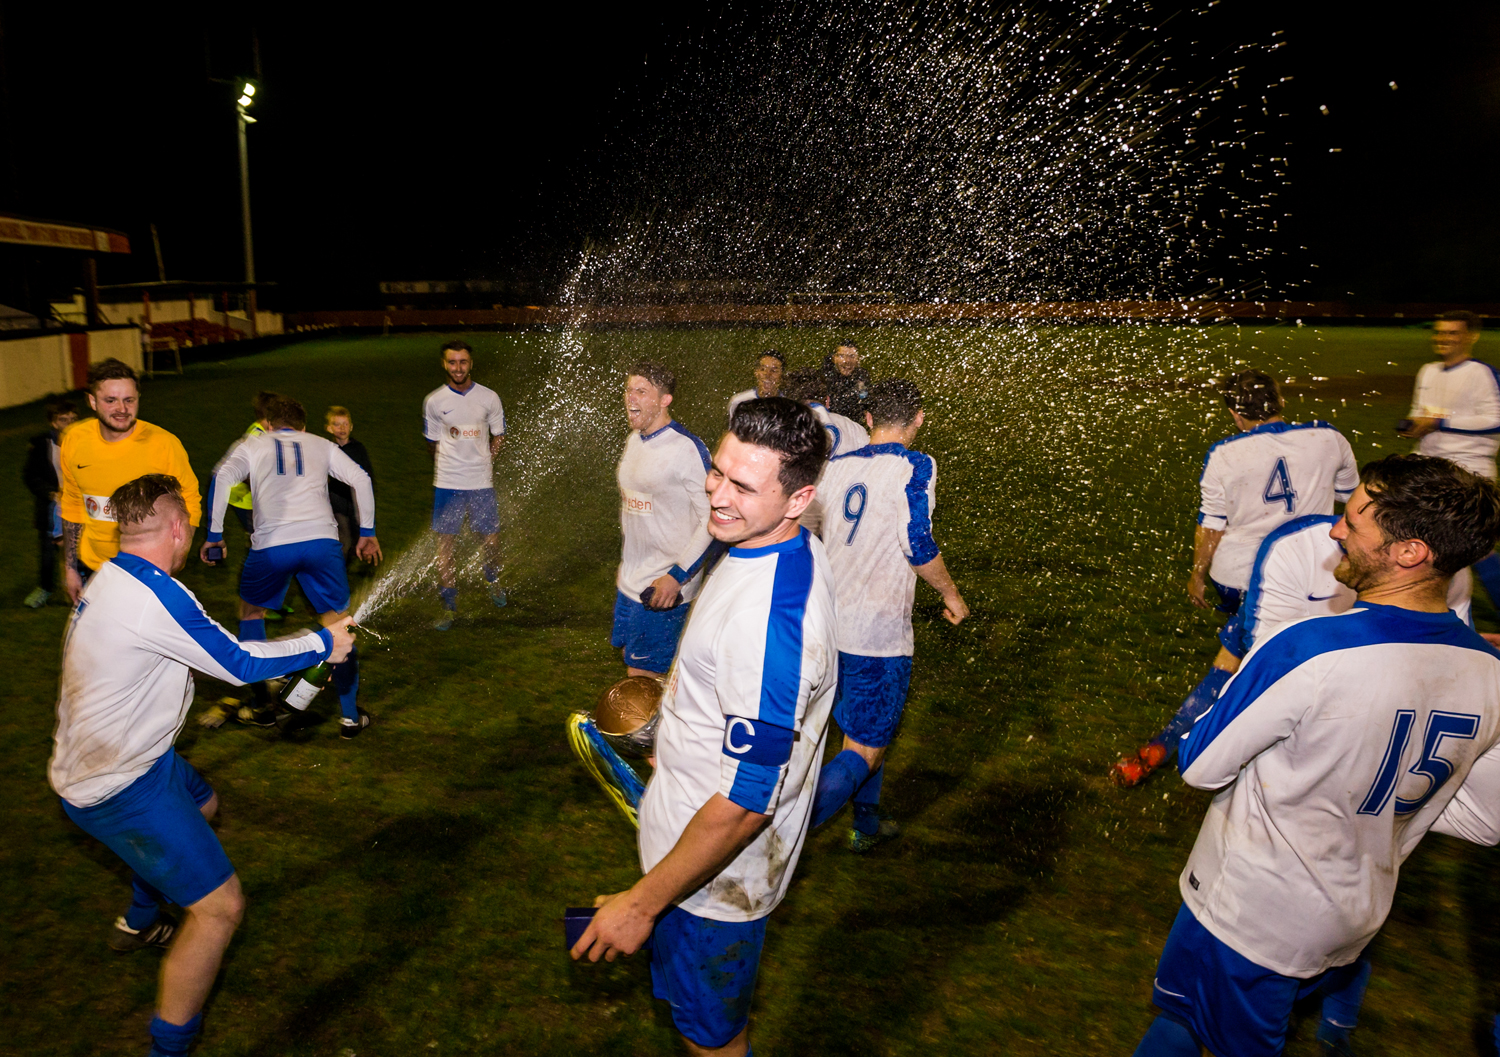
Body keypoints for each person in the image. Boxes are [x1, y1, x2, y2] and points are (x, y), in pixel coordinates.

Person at [1131, 453, 1500, 1057]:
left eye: (1354, 521)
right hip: (1355, 914)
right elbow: (1487, 821)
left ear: (1409, 553)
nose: (1334, 529)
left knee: (1203, 1032)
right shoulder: (1490, 671)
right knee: (1178, 1022)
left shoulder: (1306, 647)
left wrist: (1315, 772)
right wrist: (1363, 792)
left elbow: (1200, 765)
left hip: (1248, 917)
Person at [49, 473, 353, 1057]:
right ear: (179, 527)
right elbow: (237, 663)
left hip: (135, 758)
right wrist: (321, 641)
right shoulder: (155, 596)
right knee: (221, 909)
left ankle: (140, 918)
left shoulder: (111, 575)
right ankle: (169, 1052)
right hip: (118, 785)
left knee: (206, 805)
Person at [573, 397, 837, 1057]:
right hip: (685, 863)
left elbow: (747, 802)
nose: (716, 493)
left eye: (744, 486)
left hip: (714, 891)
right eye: (717, 471)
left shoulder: (770, 623)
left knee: (712, 1042)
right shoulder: (768, 543)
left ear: (799, 496)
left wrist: (641, 904)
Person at [1118, 371, 1360, 785]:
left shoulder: (1225, 453)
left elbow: (1211, 526)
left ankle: (1171, 746)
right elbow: (1350, 499)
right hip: (1319, 574)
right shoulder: (1328, 438)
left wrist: (1196, 575)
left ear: (1234, 413)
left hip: (1243, 577)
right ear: (1280, 401)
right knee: (1295, 658)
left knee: (1240, 662)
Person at [1112, 512, 1474, 785]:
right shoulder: (1308, 539)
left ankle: (1180, 744)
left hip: (1322, 617)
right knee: (1239, 670)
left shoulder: (1441, 576)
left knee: (1258, 688)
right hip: (1289, 591)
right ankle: (1173, 743)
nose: (1338, 527)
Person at [809, 379, 969, 852]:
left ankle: (867, 824)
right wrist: (952, 594)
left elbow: (808, 532)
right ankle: (770, 836)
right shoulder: (917, 465)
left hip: (824, 627)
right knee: (866, 747)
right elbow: (916, 542)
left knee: (850, 734)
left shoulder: (833, 468)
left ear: (870, 420)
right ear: (919, 418)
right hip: (876, 639)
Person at [203, 396, 381, 737]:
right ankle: (348, 718)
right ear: (303, 426)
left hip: (272, 545)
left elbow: (222, 476)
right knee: (338, 625)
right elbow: (360, 478)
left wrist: (214, 534)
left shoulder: (253, 443)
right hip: (322, 544)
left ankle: (260, 708)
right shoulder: (320, 443)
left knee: (251, 614)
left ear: (268, 424)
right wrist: (368, 532)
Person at [60, 358, 202, 604]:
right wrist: (70, 568)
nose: (122, 408)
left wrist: (177, 557)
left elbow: (190, 500)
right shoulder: (74, 440)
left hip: (149, 570)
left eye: (129, 400)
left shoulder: (164, 444)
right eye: (111, 400)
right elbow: (72, 504)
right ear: (92, 401)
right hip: (95, 567)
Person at [615, 362, 716, 678]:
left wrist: (677, 575)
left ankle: (659, 728)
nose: (631, 398)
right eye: (629, 389)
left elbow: (713, 518)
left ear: (664, 400)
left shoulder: (686, 449)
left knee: (642, 678)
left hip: (663, 584)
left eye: (642, 391)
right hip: (629, 580)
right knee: (632, 663)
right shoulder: (634, 440)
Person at [1401, 311, 1500, 604]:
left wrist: (1440, 422)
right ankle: (1431, 603)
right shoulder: (1428, 370)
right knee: (1423, 539)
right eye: (1439, 333)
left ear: (1472, 336)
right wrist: (1414, 425)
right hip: (1429, 467)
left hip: (1470, 470)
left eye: (1452, 333)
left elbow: (1495, 419)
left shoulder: (1482, 373)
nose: (1443, 339)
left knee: (1472, 546)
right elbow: (1420, 411)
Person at [423, 339, 507, 630]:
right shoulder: (434, 401)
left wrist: (485, 461)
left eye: (463, 362)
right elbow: (432, 442)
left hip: (481, 483)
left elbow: (499, 436)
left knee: (492, 541)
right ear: (444, 364)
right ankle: (449, 604)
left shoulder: (489, 398)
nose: (458, 368)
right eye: (452, 362)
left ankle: (492, 576)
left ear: (471, 364)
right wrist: (450, 467)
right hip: (448, 483)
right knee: (446, 545)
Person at [22, 399, 77, 607]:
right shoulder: (40, 445)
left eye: (73, 419)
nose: (69, 424)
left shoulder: (85, 440)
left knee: (81, 551)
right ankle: (44, 589)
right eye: (63, 420)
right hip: (51, 508)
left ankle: (81, 591)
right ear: (53, 422)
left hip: (79, 505)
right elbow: (30, 475)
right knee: (48, 552)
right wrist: (51, 494)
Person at [324, 405, 374, 567]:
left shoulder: (358, 449)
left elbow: (368, 477)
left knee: (356, 539)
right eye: (337, 424)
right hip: (336, 505)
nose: (342, 428)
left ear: (351, 427)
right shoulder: (327, 451)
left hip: (355, 505)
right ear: (329, 428)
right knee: (343, 541)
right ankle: (337, 573)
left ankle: (358, 565)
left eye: (345, 424)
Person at [224, 391, 276, 535]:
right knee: (259, 537)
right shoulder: (256, 438)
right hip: (244, 498)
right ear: (262, 418)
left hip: (251, 496)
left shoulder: (266, 431)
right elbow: (249, 475)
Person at [725, 349, 785, 423]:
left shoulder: (788, 407)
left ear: (782, 376)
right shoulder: (739, 402)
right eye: (763, 369)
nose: (768, 375)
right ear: (756, 372)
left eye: (774, 371)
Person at [821, 341, 872, 420]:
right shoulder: (824, 378)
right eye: (841, 356)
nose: (847, 361)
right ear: (834, 358)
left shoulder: (862, 377)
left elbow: (866, 402)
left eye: (852, 356)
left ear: (858, 359)